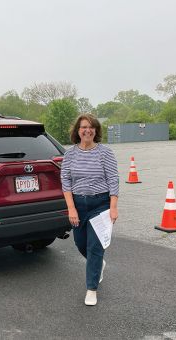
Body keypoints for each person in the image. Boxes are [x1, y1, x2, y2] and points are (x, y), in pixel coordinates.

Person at [60, 113, 119, 306]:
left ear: (96, 130)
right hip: (78, 205)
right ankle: (98, 263)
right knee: (81, 244)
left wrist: (113, 207)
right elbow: (66, 182)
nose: (88, 130)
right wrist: (71, 208)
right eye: (84, 127)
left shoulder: (105, 153)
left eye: (91, 127)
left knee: (94, 246)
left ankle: (91, 289)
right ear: (78, 131)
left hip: (100, 204)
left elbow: (113, 180)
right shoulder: (70, 154)